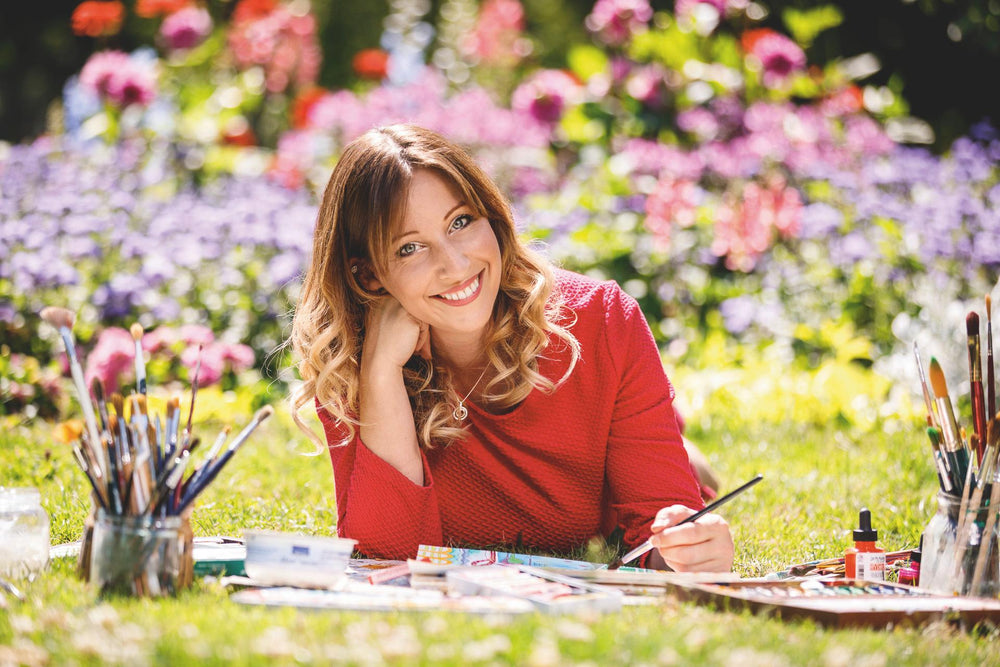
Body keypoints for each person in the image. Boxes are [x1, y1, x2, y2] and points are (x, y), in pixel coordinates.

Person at [289, 124, 734, 571]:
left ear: (491, 217)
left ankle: (683, 448)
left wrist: (691, 551)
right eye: (410, 248)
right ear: (369, 275)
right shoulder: (354, 359)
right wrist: (381, 371)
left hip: (607, 443)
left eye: (460, 222)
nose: (455, 265)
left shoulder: (602, 320)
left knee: (683, 469)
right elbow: (384, 555)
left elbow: (659, 539)